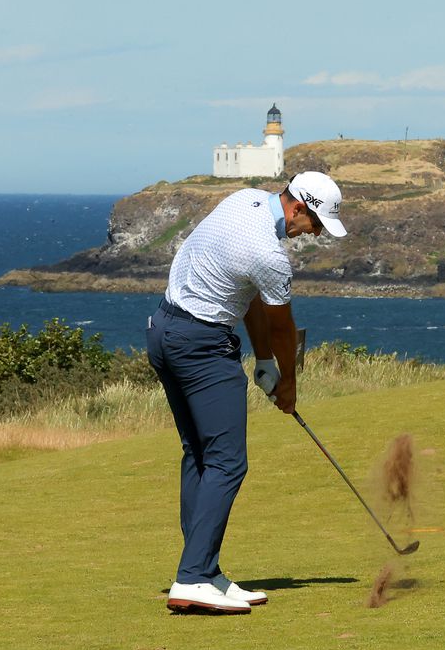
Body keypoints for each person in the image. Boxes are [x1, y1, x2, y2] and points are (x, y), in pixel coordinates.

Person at [147, 171, 347, 614]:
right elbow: (283, 326)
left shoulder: (245, 201)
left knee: (199, 455)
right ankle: (193, 578)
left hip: (163, 330)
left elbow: (250, 296)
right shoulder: (270, 254)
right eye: (314, 225)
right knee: (228, 462)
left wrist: (262, 362)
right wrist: (289, 388)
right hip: (201, 346)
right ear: (299, 208)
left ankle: (205, 571)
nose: (311, 235)